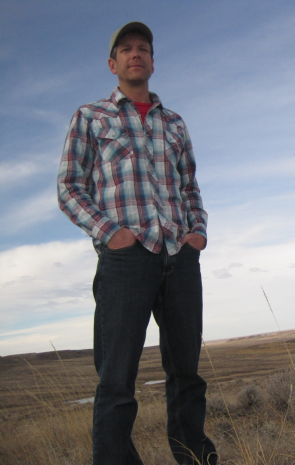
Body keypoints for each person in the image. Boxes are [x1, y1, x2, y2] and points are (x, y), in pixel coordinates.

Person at [57, 21, 217, 465]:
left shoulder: (174, 123)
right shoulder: (91, 117)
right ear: (113, 64)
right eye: (125, 49)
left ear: (152, 60)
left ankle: (194, 457)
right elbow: (69, 188)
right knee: (116, 378)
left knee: (186, 373)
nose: (135, 54)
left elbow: (190, 188)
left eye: (143, 48)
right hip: (126, 261)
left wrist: (197, 234)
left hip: (179, 258)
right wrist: (114, 236)